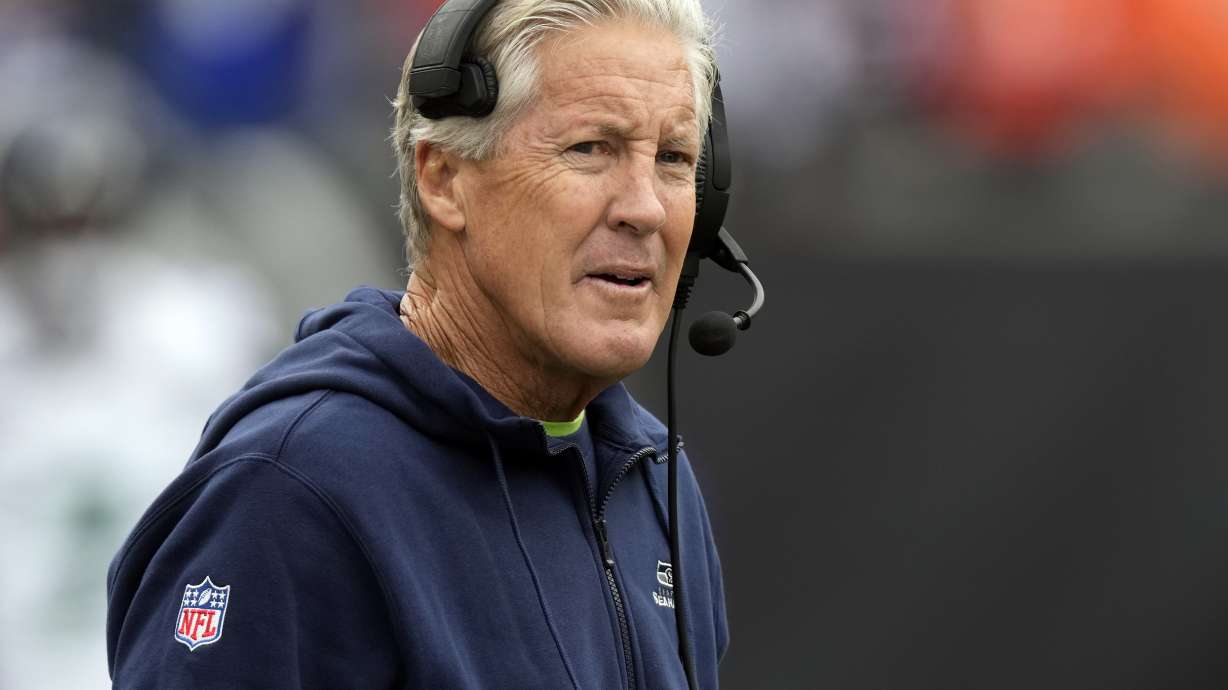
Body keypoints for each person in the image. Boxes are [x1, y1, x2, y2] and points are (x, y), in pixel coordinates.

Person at [105, 0, 729, 687]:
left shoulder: (653, 483)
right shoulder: (287, 494)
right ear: (444, 179)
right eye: (590, 149)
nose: (644, 206)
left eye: (673, 158)